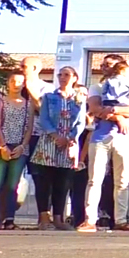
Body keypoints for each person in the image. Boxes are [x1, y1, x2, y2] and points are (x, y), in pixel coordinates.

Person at [80, 56, 129, 232]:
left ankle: (121, 220)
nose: (103, 68)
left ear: (119, 66)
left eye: (108, 65)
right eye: (102, 65)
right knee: (95, 180)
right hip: (100, 138)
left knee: (122, 181)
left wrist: (116, 110)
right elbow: (95, 108)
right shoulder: (97, 87)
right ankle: (90, 220)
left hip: (125, 139)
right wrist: (118, 118)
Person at [30, 67, 86, 230]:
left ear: (74, 78)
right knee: (44, 182)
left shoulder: (79, 98)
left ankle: (58, 218)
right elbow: (44, 118)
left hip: (69, 143)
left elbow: (81, 122)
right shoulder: (49, 97)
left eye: (67, 75)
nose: (63, 77)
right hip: (49, 141)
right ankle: (43, 217)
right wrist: (55, 136)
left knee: (63, 182)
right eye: (60, 75)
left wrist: (70, 138)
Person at [0, 73, 34, 231]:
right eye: (13, 81)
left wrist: (22, 146)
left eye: (20, 81)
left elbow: (29, 128)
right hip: (2, 146)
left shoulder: (28, 104)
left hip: (20, 147)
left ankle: (9, 220)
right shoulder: (1, 102)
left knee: (13, 185)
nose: (16, 84)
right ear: (8, 82)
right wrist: (2, 145)